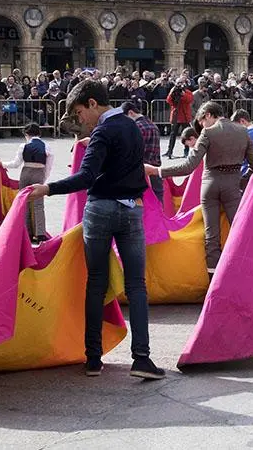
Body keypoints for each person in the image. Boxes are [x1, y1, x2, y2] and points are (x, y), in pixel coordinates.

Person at [27, 80, 164, 379]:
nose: (80, 121)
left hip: (101, 209)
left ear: (92, 104)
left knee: (97, 282)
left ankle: (93, 358)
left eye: (79, 113)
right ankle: (142, 359)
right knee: (137, 286)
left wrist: (48, 188)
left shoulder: (102, 131)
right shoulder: (133, 127)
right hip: (131, 210)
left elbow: (86, 177)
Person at [147, 102, 253, 275]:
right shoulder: (243, 132)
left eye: (201, 122)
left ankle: (213, 281)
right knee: (240, 231)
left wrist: (157, 171)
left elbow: (188, 166)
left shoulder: (208, 133)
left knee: (212, 237)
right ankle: (244, 274)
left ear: (208, 115)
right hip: (233, 184)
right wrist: (240, 182)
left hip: (210, 185)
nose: (202, 126)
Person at [0, 123, 53, 244]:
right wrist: (43, 179)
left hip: (25, 173)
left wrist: (1, 163)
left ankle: (25, 232)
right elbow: (49, 166)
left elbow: (15, 163)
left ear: (26, 134)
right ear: (39, 134)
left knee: (24, 203)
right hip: (39, 172)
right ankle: (40, 233)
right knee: (38, 205)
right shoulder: (47, 146)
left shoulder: (23, 146)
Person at [122, 102, 163, 205]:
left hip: (141, 172)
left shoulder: (136, 127)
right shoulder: (153, 125)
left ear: (130, 113)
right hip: (155, 170)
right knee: (158, 202)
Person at [166, 77, 194, 159]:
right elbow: (169, 101)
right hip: (176, 116)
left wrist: (183, 94)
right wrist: (172, 92)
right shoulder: (173, 91)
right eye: (178, 83)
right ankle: (170, 151)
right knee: (172, 135)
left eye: (181, 83)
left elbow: (189, 100)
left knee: (187, 135)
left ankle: (186, 151)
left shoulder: (187, 92)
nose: (180, 85)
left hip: (184, 116)